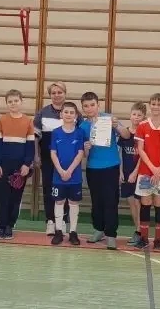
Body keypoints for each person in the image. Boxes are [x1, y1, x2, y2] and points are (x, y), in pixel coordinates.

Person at [80, 92, 127, 250]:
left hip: (111, 167)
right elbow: (84, 154)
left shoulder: (108, 119)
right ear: (83, 108)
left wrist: (117, 125)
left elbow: (126, 134)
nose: (89, 108)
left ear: (98, 105)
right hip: (93, 168)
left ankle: (111, 235)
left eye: (92, 105)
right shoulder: (83, 127)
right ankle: (98, 229)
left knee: (111, 201)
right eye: (86, 106)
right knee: (96, 201)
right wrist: (86, 148)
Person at [133, 93, 160, 250]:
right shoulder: (143, 126)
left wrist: (159, 170)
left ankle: (158, 240)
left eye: (159, 104)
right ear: (149, 105)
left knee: (159, 203)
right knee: (145, 203)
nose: (156, 107)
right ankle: (144, 239)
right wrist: (152, 169)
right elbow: (141, 150)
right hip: (145, 172)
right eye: (153, 104)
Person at [0, 89, 35, 240]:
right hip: (4, 164)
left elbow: (30, 146)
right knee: (3, 196)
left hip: (20, 166)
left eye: (16, 101)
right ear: (6, 103)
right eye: (10, 101)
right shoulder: (1, 120)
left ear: (21, 102)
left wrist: (26, 164)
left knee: (16, 197)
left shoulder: (28, 121)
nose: (13, 104)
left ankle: (10, 225)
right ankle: (0, 225)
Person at [34, 82, 73, 236]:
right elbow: (35, 137)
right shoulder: (42, 113)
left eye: (60, 92)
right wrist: (36, 155)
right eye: (54, 93)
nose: (57, 95)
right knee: (49, 189)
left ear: (65, 93)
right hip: (47, 159)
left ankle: (62, 221)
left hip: (68, 160)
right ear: (50, 95)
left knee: (66, 189)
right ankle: (50, 221)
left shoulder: (73, 112)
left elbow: (81, 134)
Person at [49, 102, 87, 246]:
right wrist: (60, 170)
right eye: (66, 112)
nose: (68, 115)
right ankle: (58, 231)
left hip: (74, 176)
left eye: (72, 112)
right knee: (59, 202)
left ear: (76, 115)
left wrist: (69, 171)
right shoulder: (56, 132)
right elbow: (53, 153)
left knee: (73, 203)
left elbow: (80, 153)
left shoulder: (80, 132)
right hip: (58, 176)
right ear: (61, 114)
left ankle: (73, 232)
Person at [121, 102, 147, 246]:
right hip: (126, 173)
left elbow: (143, 156)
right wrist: (120, 171)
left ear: (144, 117)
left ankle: (140, 232)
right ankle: (137, 230)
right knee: (131, 203)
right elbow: (120, 152)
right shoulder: (125, 133)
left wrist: (135, 172)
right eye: (134, 114)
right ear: (130, 115)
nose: (136, 117)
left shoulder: (143, 134)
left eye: (139, 115)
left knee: (139, 203)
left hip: (139, 173)